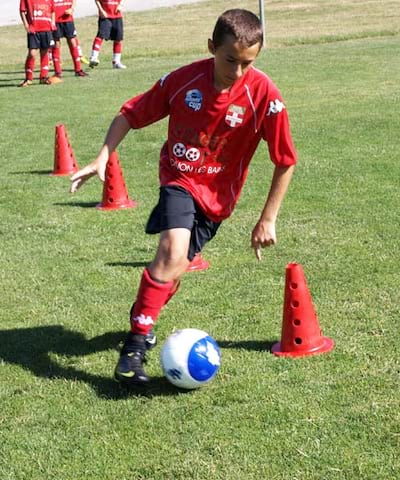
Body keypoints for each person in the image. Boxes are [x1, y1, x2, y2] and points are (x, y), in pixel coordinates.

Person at [70, 9, 297, 386]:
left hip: (218, 201)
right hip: (178, 178)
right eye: (230, 60)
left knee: (172, 269)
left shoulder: (264, 95)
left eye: (247, 63)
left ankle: (144, 314)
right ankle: (133, 351)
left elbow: (285, 160)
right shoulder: (183, 81)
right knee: (172, 253)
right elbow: (130, 113)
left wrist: (267, 218)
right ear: (211, 47)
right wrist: (102, 157)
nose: (238, 72)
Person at [19, 0, 62, 86]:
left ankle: (43, 77)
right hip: (33, 30)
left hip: (46, 29)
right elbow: (22, 11)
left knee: (44, 52)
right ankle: (28, 78)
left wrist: (52, 23)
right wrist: (26, 25)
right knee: (32, 53)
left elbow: (52, 10)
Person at [51, 0, 88, 79]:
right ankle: (57, 72)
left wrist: (72, 8)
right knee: (56, 44)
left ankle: (78, 70)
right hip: (55, 20)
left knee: (72, 42)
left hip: (67, 19)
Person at [88, 0, 127, 69]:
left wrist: (120, 5)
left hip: (117, 15)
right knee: (101, 35)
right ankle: (93, 57)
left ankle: (116, 62)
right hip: (105, 16)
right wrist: (101, 10)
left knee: (118, 39)